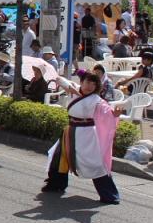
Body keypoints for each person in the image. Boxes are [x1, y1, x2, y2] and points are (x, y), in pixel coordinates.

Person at [42, 72, 124, 203]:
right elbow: (58, 78)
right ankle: (56, 185)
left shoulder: (96, 100)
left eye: (93, 83)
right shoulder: (73, 90)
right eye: (87, 82)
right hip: (69, 131)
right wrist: (69, 87)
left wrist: (114, 114)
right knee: (58, 158)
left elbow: (107, 111)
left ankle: (109, 194)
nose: (90, 86)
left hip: (87, 135)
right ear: (82, 82)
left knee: (95, 163)